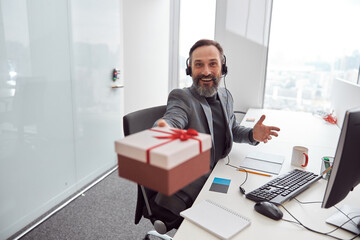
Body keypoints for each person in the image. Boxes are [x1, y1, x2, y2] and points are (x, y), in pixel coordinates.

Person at [153, 39, 280, 219]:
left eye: (212, 64)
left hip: (218, 173)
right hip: (186, 191)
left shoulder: (225, 96)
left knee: (245, 212)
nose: (206, 71)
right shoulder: (182, 98)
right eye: (199, 65)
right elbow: (173, 119)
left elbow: (233, 128)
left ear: (223, 68)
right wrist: (164, 131)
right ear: (190, 70)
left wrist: (252, 134)